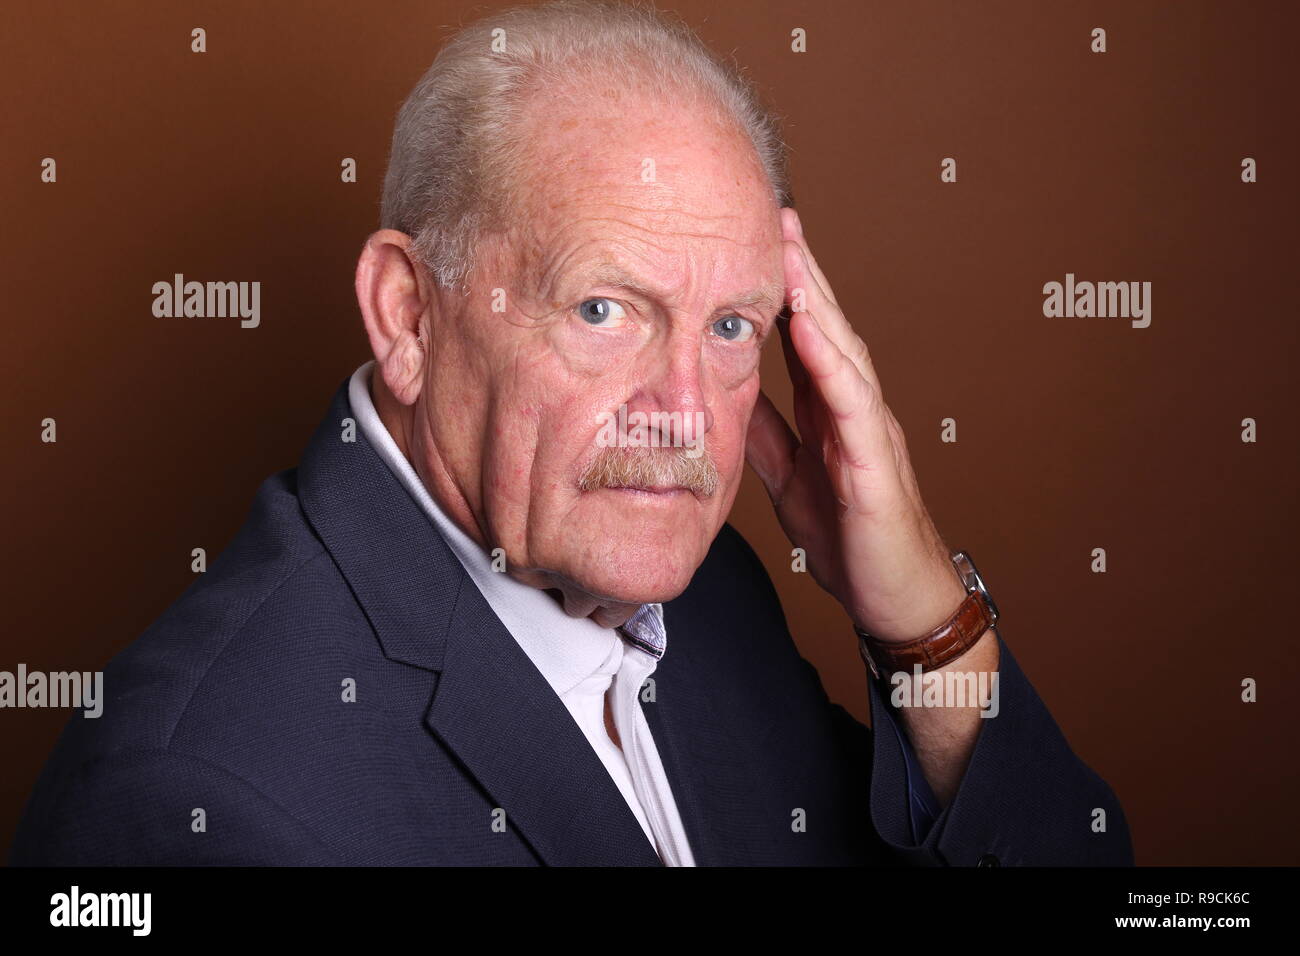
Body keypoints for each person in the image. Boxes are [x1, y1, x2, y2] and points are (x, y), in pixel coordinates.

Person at [10, 0, 1131, 866]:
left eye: (732, 324)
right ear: (408, 313)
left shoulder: (709, 598)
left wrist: (926, 625)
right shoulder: (193, 797)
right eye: (605, 309)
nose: (684, 411)